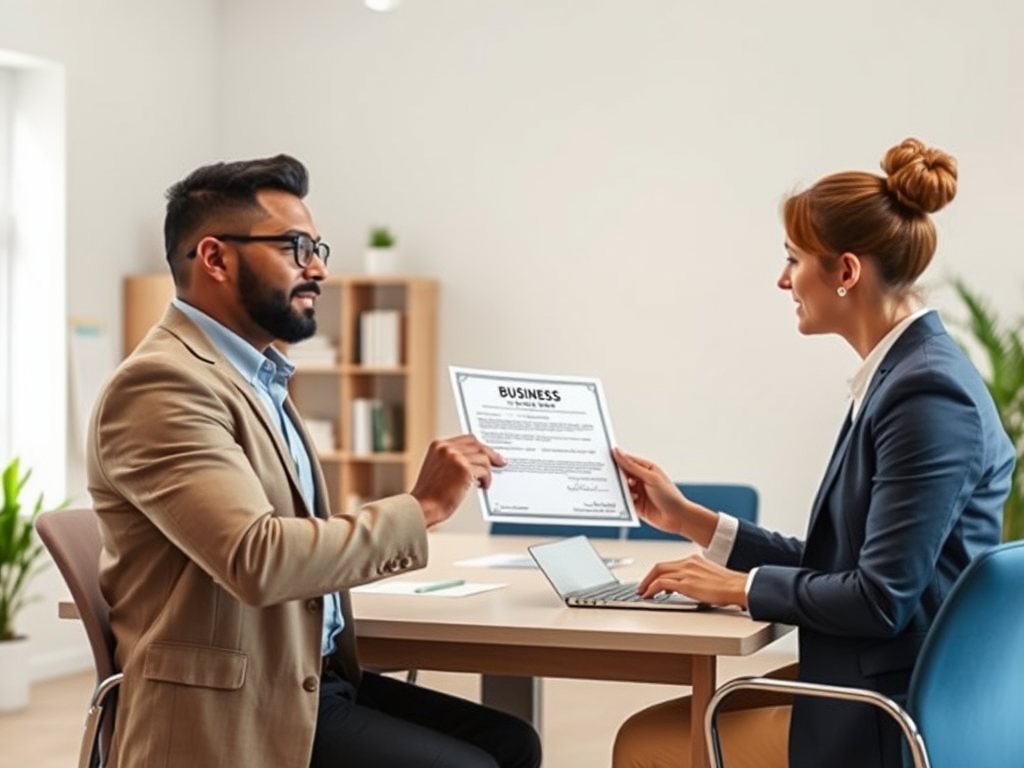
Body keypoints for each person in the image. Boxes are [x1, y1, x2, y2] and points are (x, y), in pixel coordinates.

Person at [86, 154, 542, 768]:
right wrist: (423, 506)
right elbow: (258, 557)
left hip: (304, 673)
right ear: (215, 257)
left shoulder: (254, 376)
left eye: (316, 246)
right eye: (295, 247)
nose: (319, 268)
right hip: (234, 705)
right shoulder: (163, 386)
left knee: (512, 743)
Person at [610, 138, 1014, 768]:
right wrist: (692, 520)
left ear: (846, 272)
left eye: (794, 259)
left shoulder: (926, 393)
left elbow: (879, 598)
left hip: (893, 716)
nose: (782, 279)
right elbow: (842, 563)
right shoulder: (903, 376)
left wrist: (741, 588)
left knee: (646, 745)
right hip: (882, 681)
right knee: (660, 724)